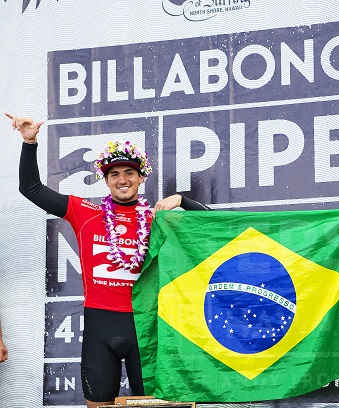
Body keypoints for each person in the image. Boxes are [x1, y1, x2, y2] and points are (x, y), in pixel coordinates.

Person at [7, 113, 210, 408]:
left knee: (154, 406)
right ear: (106, 180)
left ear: (142, 177)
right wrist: (29, 142)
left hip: (146, 328)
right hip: (100, 326)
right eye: (114, 174)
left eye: (129, 172)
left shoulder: (158, 218)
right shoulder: (84, 211)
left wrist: (182, 200)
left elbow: (214, 226)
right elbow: (31, 189)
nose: (122, 179)